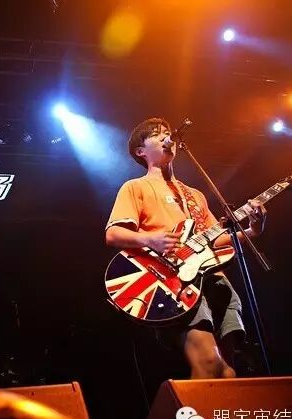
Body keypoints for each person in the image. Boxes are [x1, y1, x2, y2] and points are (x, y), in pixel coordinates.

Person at [105, 117, 266, 379]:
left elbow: (216, 239)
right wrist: (150, 239)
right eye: (156, 135)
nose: (166, 137)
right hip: (173, 283)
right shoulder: (136, 187)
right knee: (208, 363)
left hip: (215, 279)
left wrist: (252, 231)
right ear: (140, 151)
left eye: (167, 133)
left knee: (228, 372)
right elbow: (113, 234)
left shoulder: (195, 195)